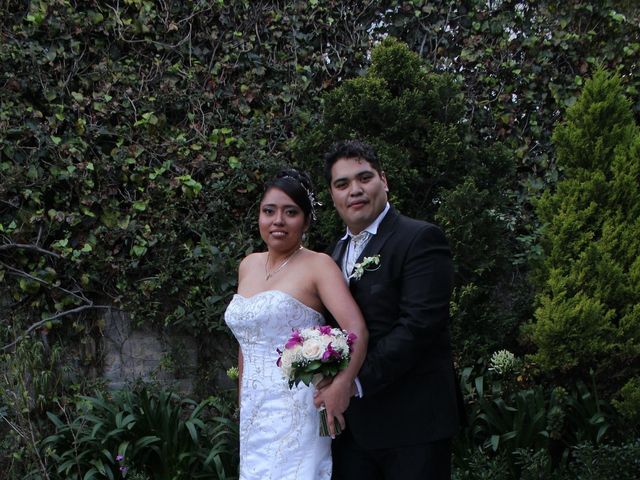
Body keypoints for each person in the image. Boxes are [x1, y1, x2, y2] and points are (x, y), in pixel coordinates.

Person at [315, 140, 463, 480]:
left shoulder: (421, 238)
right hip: (353, 431)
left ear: (384, 180)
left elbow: (418, 327)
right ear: (333, 195)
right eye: (342, 184)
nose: (355, 190)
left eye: (364, 178)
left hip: (413, 426)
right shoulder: (331, 256)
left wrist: (352, 382)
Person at [224, 168, 368, 480]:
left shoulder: (318, 265)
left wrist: (340, 386)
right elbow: (246, 343)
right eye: (269, 211)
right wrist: (242, 402)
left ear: (305, 220)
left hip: (299, 407)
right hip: (254, 410)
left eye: (290, 212)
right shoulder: (247, 265)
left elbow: (356, 329)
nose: (278, 221)